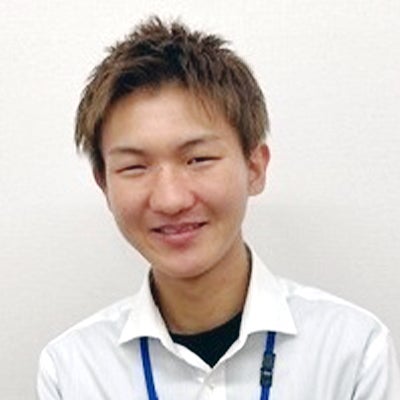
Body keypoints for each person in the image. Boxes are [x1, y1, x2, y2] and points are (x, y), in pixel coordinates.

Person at [37, 17, 400, 399]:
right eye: (134, 167)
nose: (170, 199)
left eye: (198, 159)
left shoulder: (352, 350)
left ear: (254, 168)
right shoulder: (72, 370)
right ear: (104, 185)